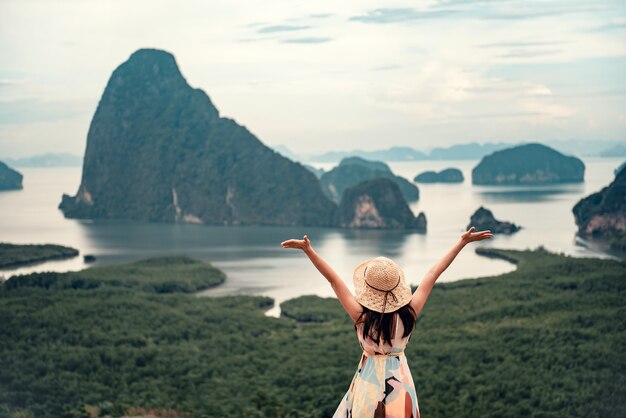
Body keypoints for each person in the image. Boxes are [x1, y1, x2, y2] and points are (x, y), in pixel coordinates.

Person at [281, 226, 494, 418]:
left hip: (368, 382)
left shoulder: (361, 316)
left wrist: (309, 251)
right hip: (400, 383)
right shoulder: (410, 312)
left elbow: (334, 280)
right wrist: (461, 243)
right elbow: (433, 273)